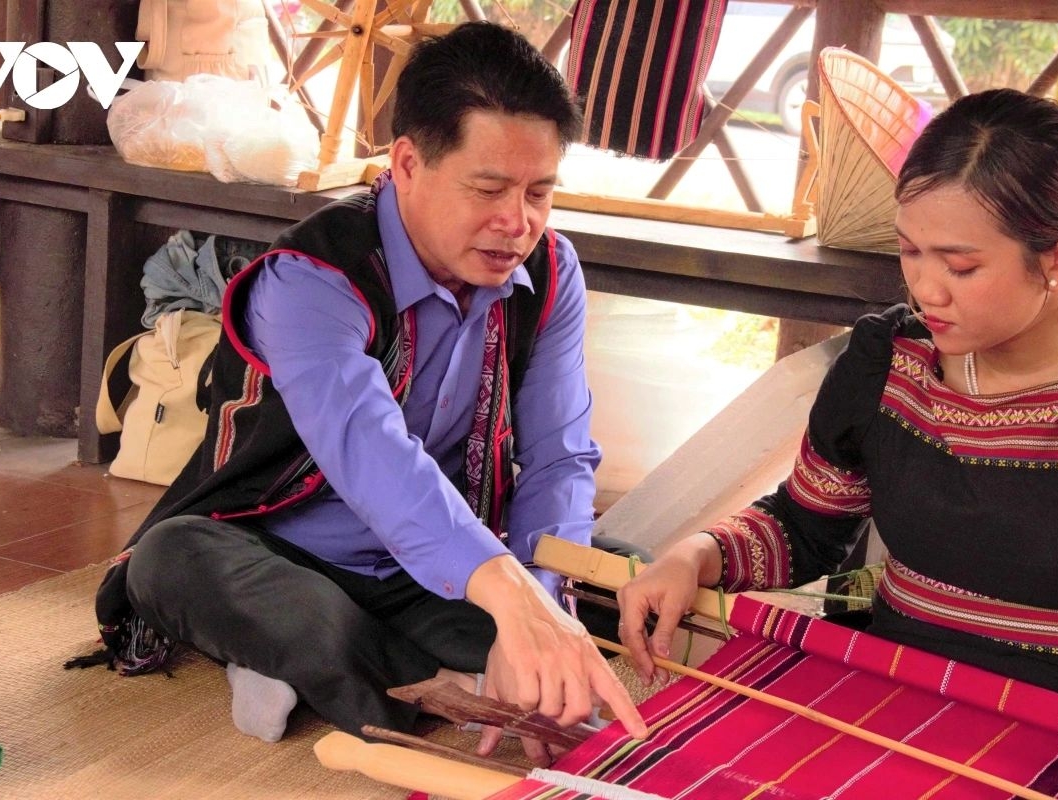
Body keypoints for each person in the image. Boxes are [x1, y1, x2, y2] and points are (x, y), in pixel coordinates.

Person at [93, 21, 647, 762]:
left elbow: (558, 458)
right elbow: (372, 456)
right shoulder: (312, 278)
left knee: (609, 577)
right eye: (489, 189)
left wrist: (542, 601)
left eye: (540, 192)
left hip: (443, 554)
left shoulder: (550, 271)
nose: (518, 223)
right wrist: (510, 600)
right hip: (281, 548)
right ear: (408, 164)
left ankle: (326, 668)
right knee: (170, 560)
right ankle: (438, 680)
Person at [617, 88, 1058, 705]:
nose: (927, 289)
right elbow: (805, 527)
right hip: (891, 685)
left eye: (960, 266)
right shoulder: (890, 364)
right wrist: (694, 555)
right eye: (909, 251)